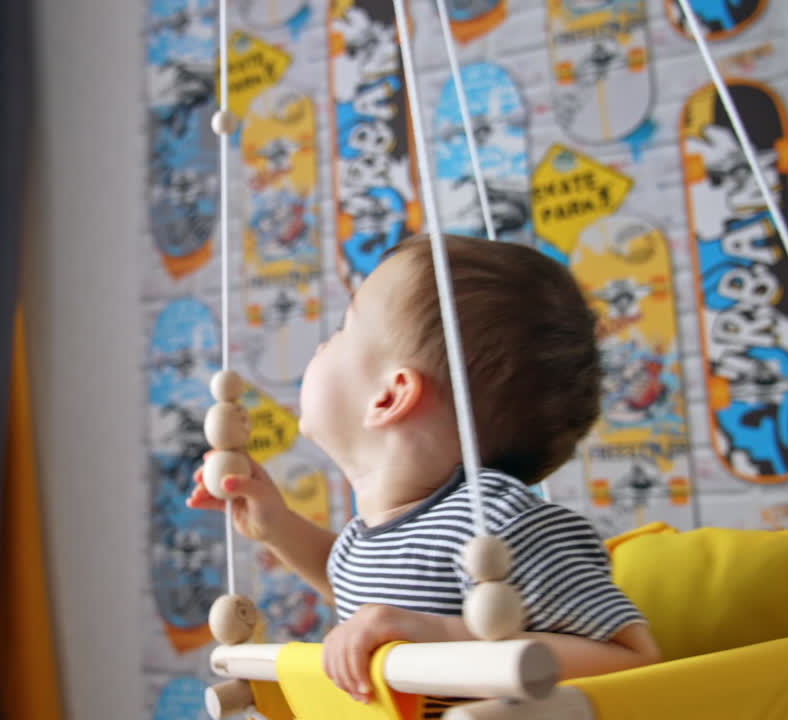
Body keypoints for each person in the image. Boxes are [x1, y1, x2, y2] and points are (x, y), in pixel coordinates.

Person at [187, 234, 661, 703]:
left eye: (342, 331)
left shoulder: (497, 525)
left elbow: (633, 659)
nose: (320, 347)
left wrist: (433, 632)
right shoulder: (375, 536)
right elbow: (361, 594)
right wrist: (276, 526)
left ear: (389, 397)